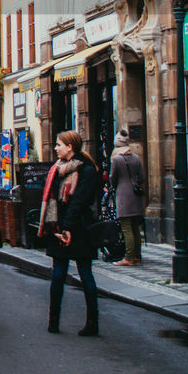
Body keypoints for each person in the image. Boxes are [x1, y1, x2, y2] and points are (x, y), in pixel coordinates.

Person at [39, 129, 102, 336]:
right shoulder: (57, 169)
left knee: (85, 274)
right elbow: (52, 200)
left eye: (59, 145)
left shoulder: (87, 170)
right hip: (59, 227)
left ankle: (92, 323)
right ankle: (53, 321)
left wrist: (67, 228)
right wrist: (55, 228)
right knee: (57, 274)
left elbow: (79, 202)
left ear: (70, 147)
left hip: (80, 228)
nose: (55, 148)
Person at [108, 129, 146, 267]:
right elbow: (141, 178)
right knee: (135, 227)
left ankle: (129, 257)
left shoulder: (117, 159)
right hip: (135, 196)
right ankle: (137, 256)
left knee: (126, 228)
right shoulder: (136, 158)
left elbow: (113, 178)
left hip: (123, 195)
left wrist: (114, 186)